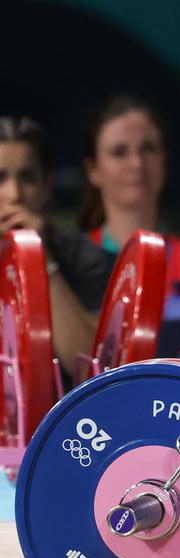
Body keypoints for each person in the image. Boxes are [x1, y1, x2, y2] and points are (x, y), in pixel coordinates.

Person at [77, 95, 180, 321]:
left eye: (148, 148)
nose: (136, 163)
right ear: (93, 170)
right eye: (119, 152)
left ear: (164, 160)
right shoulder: (66, 268)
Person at [0, 116, 108, 369]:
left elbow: (87, 366)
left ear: (46, 186)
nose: (14, 194)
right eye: (0, 178)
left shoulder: (79, 255)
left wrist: (42, 259)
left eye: (28, 178)